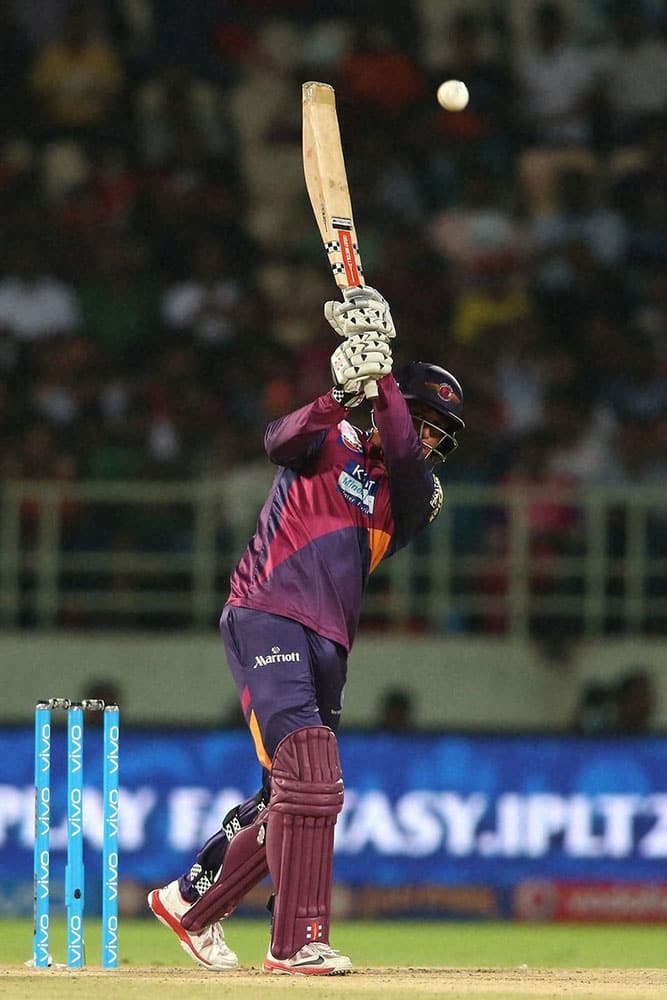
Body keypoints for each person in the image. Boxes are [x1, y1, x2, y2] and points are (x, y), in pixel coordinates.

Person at [147, 285, 465, 975]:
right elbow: (278, 439)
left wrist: (378, 375)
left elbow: (407, 460)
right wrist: (339, 387)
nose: (433, 440)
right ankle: (295, 943)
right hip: (267, 609)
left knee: (298, 793)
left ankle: (189, 905)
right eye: (428, 421)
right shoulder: (327, 440)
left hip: (330, 640)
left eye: (443, 434)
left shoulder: (412, 493)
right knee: (310, 780)